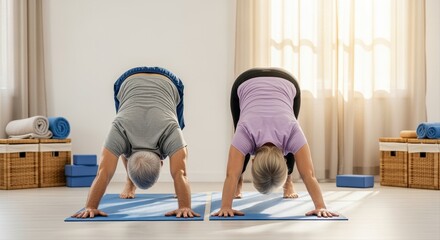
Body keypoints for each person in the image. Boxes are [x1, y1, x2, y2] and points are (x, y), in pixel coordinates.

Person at [72, 66, 199, 219]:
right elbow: (180, 173)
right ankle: (132, 182)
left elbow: (103, 173)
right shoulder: (122, 128)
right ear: (161, 162)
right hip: (128, 81)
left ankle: (133, 182)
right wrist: (184, 206)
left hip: (160, 82)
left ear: (160, 163)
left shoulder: (121, 129)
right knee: (176, 137)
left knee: (178, 127)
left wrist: (91, 206)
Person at [212, 68, 338, 218]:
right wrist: (320, 206)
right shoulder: (249, 131)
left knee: (240, 148)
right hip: (249, 82)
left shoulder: (288, 130)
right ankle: (239, 182)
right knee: (240, 143)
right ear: (253, 162)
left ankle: (288, 182)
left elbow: (308, 175)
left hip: (282, 82)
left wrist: (226, 206)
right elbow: (308, 175)